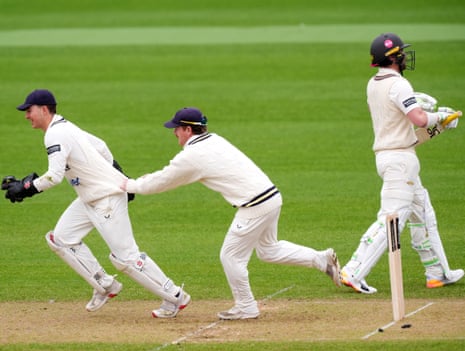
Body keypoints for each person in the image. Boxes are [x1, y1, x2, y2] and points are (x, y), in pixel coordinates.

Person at [120, 107, 342, 320]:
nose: (174, 132)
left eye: (176, 128)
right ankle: (320, 259)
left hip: (255, 204)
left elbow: (161, 181)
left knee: (231, 256)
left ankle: (246, 307)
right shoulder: (214, 139)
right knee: (268, 250)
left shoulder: (193, 155)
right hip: (271, 197)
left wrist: (130, 185)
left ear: (188, 130)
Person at [1, 89, 190, 318]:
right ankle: (105, 285)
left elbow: (54, 176)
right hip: (90, 196)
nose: (26, 116)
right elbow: (100, 146)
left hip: (106, 197)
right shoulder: (65, 126)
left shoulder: (55, 134)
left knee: (125, 258)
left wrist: (26, 188)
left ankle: (176, 296)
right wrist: (118, 174)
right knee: (60, 238)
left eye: (29, 111)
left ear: (43, 109)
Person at [340, 33, 464, 294]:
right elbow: (418, 119)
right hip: (400, 161)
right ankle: (353, 270)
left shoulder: (373, 83)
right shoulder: (399, 85)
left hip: (391, 156)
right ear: (394, 57)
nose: (406, 56)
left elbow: (407, 126)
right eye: (402, 53)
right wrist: (440, 116)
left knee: (423, 213)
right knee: (391, 220)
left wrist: (439, 124)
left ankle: (437, 273)